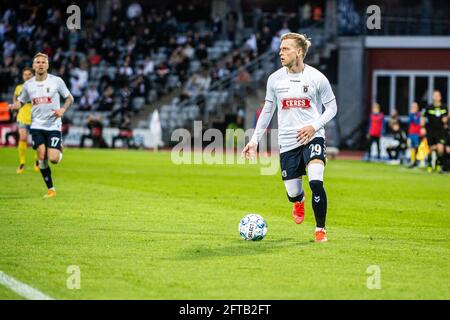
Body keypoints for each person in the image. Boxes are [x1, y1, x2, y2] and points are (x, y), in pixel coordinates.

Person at [242, 33, 337, 243]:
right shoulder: (275, 79)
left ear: (299, 52)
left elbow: (332, 108)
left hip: (313, 137)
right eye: (280, 49)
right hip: (287, 142)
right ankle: (299, 201)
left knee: (315, 181)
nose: (280, 53)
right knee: (293, 192)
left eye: (286, 49)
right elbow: (267, 111)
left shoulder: (317, 78)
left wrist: (314, 126)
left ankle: (320, 229)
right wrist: (254, 140)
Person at [9, 53, 73, 198]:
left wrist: (63, 109)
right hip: (37, 125)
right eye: (37, 62)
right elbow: (22, 101)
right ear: (33, 65)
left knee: (54, 159)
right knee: (41, 157)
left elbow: (69, 98)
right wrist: (15, 106)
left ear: (47, 65)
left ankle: (59, 148)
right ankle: (51, 189)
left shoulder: (56, 81)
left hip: (53, 125)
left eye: (43, 62)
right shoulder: (28, 84)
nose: (40, 64)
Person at [12, 67, 39, 174]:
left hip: (35, 117)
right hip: (22, 117)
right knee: (23, 138)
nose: (27, 76)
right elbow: (15, 99)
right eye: (25, 74)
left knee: (36, 141)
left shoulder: (38, 87)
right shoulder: (19, 88)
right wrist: (15, 109)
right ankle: (22, 162)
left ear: (33, 76)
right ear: (23, 76)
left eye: (29, 74)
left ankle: (37, 160)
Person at [422, 90, 448, 173]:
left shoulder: (444, 107)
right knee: (430, 149)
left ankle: (438, 163)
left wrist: (446, 119)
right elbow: (422, 116)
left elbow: (447, 117)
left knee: (440, 148)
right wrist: (422, 127)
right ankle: (430, 164)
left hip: (440, 132)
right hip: (431, 131)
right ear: (433, 97)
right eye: (435, 95)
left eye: (438, 95)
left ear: (440, 97)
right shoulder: (428, 107)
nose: (436, 97)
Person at [407, 102, 421, 168]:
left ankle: (417, 161)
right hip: (411, 133)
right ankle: (412, 161)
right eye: (412, 107)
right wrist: (411, 115)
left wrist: (412, 115)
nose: (413, 108)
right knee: (411, 147)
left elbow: (417, 122)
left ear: (417, 108)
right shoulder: (411, 115)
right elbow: (408, 122)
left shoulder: (419, 115)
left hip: (417, 134)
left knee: (417, 147)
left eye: (414, 107)